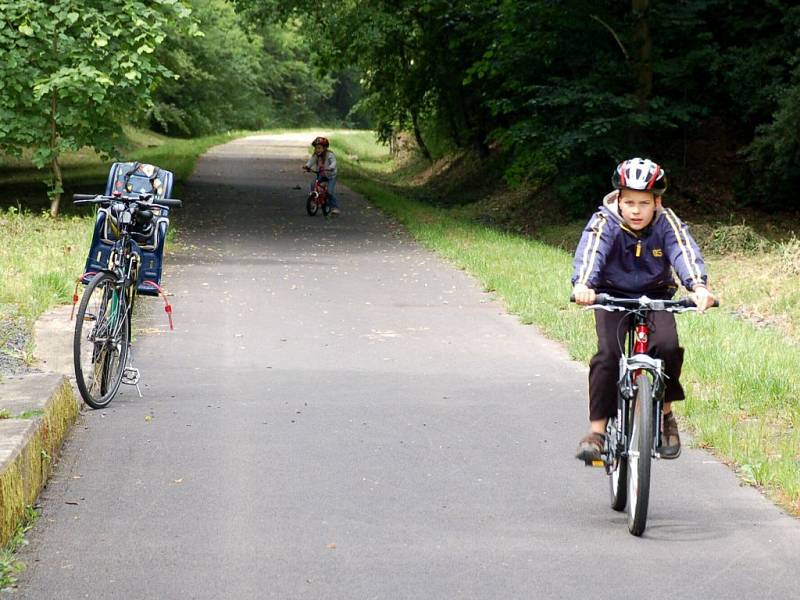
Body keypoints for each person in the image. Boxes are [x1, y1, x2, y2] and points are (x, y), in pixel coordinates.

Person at [571, 157, 715, 463]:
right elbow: (591, 251)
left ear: (656, 202)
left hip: (655, 295)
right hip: (611, 295)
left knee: (668, 346)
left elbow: (682, 250)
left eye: (645, 203)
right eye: (630, 202)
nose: (636, 210)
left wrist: (698, 287)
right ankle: (597, 432)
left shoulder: (666, 221)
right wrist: (583, 286)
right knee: (608, 355)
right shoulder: (605, 221)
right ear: (619, 200)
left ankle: (664, 415)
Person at [303, 136, 340, 215]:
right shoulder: (316, 155)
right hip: (321, 174)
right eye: (316, 148)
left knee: (329, 192)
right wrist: (307, 166)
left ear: (324, 148)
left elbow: (334, 162)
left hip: (331, 175)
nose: (317, 150)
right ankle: (314, 199)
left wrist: (330, 167)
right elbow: (311, 161)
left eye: (319, 148)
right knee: (313, 184)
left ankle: (335, 207)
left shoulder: (329, 155)